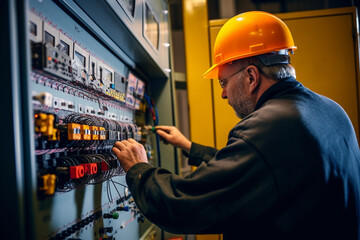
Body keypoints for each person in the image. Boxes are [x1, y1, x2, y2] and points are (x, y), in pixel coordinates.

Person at [112, 11, 360, 240]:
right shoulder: (331, 110)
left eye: (223, 83)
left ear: (251, 76)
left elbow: (184, 206)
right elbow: (257, 169)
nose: (223, 95)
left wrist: (139, 169)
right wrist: (188, 146)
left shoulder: (268, 128)